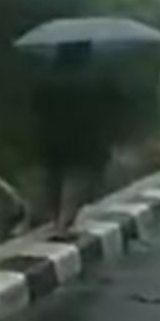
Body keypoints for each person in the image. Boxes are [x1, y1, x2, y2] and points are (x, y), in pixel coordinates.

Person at [32, 42, 112, 233]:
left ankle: (57, 218)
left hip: (52, 138)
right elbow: (104, 111)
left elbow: (37, 108)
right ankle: (63, 222)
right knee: (77, 180)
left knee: (57, 179)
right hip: (84, 140)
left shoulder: (48, 80)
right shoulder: (93, 81)